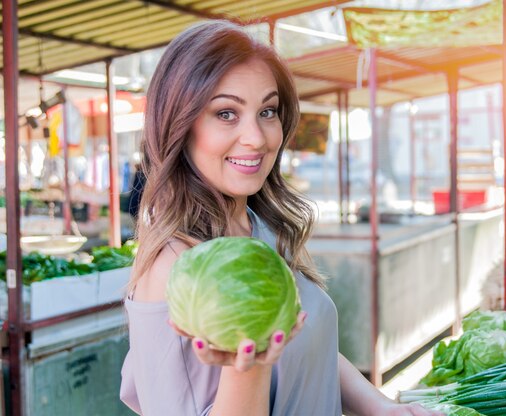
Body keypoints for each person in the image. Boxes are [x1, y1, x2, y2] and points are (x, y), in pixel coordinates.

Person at [120, 20, 443, 416]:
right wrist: (249, 368)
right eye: (226, 113)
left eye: (267, 111)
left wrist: (382, 407)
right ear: (179, 125)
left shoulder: (259, 229)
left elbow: (310, 349)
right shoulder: (173, 268)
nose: (257, 137)